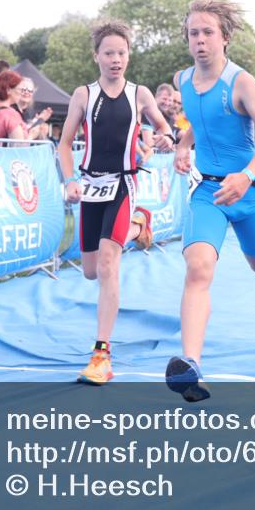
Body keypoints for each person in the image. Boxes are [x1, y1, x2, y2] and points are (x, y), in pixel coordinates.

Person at [170, 0, 255, 402]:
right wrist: (184, 144)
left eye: (208, 33)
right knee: (198, 268)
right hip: (209, 191)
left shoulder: (242, 83)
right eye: (193, 33)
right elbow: (200, 123)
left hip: (249, 191)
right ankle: (191, 366)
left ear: (225, 37)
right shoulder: (183, 80)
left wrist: (247, 174)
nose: (200, 40)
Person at [58, 20, 175, 385]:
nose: (116, 59)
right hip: (90, 188)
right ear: (96, 56)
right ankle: (140, 225)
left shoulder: (140, 94)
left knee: (109, 265)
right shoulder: (83, 95)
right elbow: (63, 145)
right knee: (91, 271)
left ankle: (102, 354)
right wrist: (70, 181)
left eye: (121, 53)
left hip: (123, 185)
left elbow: (163, 125)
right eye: (108, 53)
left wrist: (168, 137)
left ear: (128, 56)